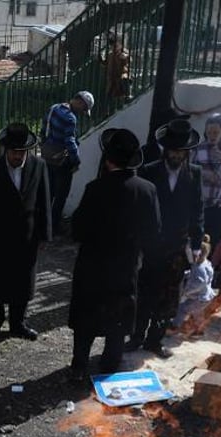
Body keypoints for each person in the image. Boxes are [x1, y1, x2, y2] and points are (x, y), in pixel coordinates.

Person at [68, 128, 161, 387]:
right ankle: (110, 365)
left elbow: (77, 230)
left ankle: (79, 366)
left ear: (108, 160)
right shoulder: (148, 190)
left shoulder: (95, 188)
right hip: (126, 266)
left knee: (86, 317)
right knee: (118, 318)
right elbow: (153, 233)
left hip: (93, 266)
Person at [0, 122, 51, 342]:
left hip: (28, 236)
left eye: (21, 152)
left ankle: (18, 324)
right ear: (6, 150)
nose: (18, 156)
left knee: (23, 283)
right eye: (14, 152)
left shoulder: (39, 166)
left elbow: (44, 202)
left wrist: (45, 234)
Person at [131, 118, 204, 358]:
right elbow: (139, 208)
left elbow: (197, 210)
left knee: (169, 298)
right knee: (145, 292)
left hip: (176, 247)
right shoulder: (149, 171)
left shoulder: (194, 174)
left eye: (181, 151)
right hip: (151, 245)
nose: (176, 155)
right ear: (165, 150)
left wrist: (195, 244)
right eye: (173, 150)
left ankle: (154, 340)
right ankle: (136, 337)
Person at [39, 90, 93, 233]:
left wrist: (44, 146)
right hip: (62, 161)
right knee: (61, 194)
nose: (83, 112)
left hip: (47, 156)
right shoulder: (70, 118)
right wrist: (76, 161)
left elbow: (43, 129)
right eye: (84, 108)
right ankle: (54, 226)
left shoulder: (54, 107)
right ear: (80, 102)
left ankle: (42, 222)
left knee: (48, 191)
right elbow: (69, 141)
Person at [189, 113, 221, 247]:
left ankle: (212, 266)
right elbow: (189, 170)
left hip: (220, 203)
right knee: (199, 237)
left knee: (217, 239)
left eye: (216, 132)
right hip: (202, 202)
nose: (212, 135)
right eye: (209, 132)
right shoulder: (198, 147)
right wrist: (204, 174)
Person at [176, 235, 216, 335]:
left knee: (182, 309)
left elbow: (200, 283)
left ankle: (174, 327)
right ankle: (199, 330)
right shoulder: (206, 263)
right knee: (197, 313)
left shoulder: (199, 268)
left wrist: (186, 292)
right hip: (206, 296)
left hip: (198, 297)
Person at [103, 34, 131, 108]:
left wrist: (125, 57)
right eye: (112, 45)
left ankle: (127, 96)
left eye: (115, 45)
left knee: (124, 81)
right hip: (112, 78)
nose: (113, 47)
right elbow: (105, 63)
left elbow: (128, 59)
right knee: (110, 95)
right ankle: (108, 112)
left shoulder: (123, 52)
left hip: (121, 76)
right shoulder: (110, 55)